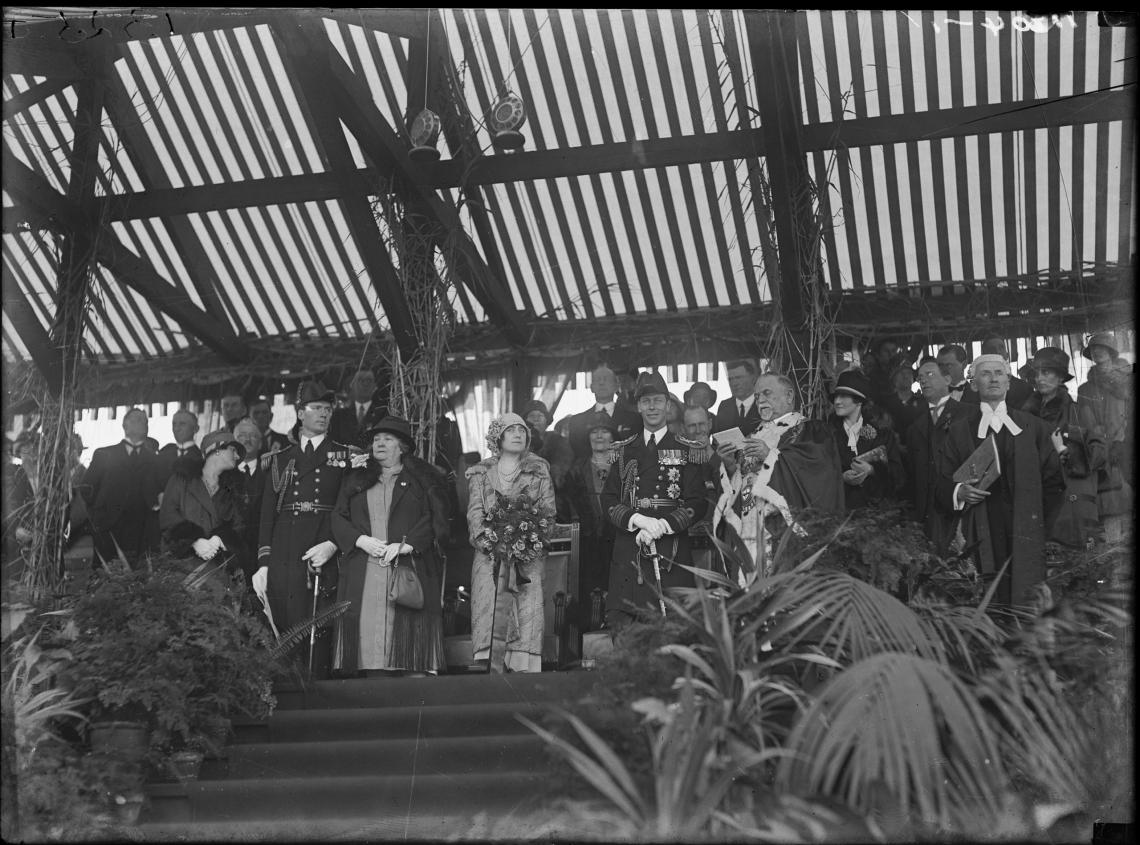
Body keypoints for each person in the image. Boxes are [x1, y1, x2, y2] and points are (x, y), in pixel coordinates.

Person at [252, 381, 363, 678]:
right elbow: (267, 515)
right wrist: (264, 563)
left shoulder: (346, 457)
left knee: (321, 627)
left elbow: (354, 510)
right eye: (316, 408)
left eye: (328, 409)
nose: (324, 414)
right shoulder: (279, 460)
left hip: (323, 545)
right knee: (287, 627)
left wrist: (333, 543)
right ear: (300, 414)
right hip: (285, 551)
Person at [935, 355, 1064, 607]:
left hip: (1025, 528)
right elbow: (942, 481)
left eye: (999, 373)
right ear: (974, 385)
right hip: (979, 526)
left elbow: (1054, 482)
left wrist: (1040, 523)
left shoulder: (1035, 428)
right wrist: (959, 491)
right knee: (984, 596)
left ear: (1008, 383)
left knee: (1025, 596)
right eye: (985, 374)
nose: (993, 379)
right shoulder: (959, 431)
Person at [331, 417, 448, 676]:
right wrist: (360, 540)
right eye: (376, 439)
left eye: (388, 439)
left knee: (410, 656)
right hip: (365, 569)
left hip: (407, 568)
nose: (380, 443)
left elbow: (433, 517)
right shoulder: (357, 479)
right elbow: (338, 516)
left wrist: (408, 544)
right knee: (368, 655)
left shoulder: (419, 481)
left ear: (402, 447)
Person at [601, 372, 708, 630]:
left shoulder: (686, 449)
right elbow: (608, 499)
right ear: (638, 406)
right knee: (626, 629)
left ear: (668, 405)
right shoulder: (623, 450)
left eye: (658, 401)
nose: (652, 407)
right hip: (630, 548)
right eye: (646, 401)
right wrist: (637, 519)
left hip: (670, 548)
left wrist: (664, 525)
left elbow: (697, 502)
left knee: (674, 629)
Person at [715, 373, 844, 572]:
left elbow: (818, 473)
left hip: (782, 529)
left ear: (789, 396)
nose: (760, 400)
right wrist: (730, 464)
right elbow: (742, 482)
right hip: (750, 526)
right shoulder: (751, 435)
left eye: (767, 393)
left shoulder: (810, 430)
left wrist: (770, 456)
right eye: (757, 396)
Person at [465, 413, 556, 672]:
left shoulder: (539, 471)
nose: (518, 434)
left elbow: (548, 513)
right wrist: (492, 544)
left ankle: (523, 669)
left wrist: (527, 543)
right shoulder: (480, 472)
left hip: (528, 557)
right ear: (498, 437)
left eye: (522, 430)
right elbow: (475, 514)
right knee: (489, 607)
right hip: (489, 557)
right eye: (511, 430)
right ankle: (492, 667)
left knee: (527, 611)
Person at [1020, 347, 1105, 549]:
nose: (1039, 378)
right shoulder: (1023, 416)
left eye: (1046, 372)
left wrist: (1069, 442)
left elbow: (1099, 454)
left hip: (1068, 505)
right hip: (1035, 501)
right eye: (1036, 374)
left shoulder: (1078, 412)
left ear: (1060, 378)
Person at [79, 408, 163, 568]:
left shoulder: (154, 460)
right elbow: (86, 489)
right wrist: (99, 517)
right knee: (105, 576)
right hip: (108, 530)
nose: (141, 424)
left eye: (144, 421)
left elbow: (159, 493)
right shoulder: (105, 454)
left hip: (141, 533)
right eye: (136, 420)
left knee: (139, 576)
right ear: (125, 426)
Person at [159, 430, 249, 575]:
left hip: (219, 569)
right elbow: (168, 516)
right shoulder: (182, 479)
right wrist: (193, 540)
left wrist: (219, 540)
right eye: (233, 450)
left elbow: (240, 524)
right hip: (180, 568)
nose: (237, 456)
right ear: (216, 450)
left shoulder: (234, 488)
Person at [562, 412, 620, 631]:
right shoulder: (576, 469)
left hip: (617, 540)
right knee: (587, 593)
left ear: (613, 437)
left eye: (604, 431)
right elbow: (568, 504)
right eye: (594, 432)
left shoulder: (623, 468)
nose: (599, 436)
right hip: (586, 542)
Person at [1075, 332, 1132, 543]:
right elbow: (1085, 422)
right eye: (1093, 349)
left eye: (1102, 348)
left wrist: (1121, 441)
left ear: (1111, 352)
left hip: (1125, 444)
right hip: (1099, 448)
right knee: (1108, 495)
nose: (1097, 352)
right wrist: (1099, 444)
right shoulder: (1085, 389)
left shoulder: (1126, 384)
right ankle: (1112, 540)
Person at [904, 358, 963, 554]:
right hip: (927, 518)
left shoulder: (968, 415)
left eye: (930, 374)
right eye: (920, 377)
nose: (923, 380)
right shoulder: (915, 427)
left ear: (947, 380)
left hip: (959, 513)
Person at [827, 370, 904, 512]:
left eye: (843, 396)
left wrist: (872, 470)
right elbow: (817, 472)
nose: (837, 401)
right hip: (839, 512)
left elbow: (898, 477)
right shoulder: (827, 434)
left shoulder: (882, 434)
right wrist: (841, 477)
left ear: (859, 401)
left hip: (875, 515)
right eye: (836, 396)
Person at [566, 365, 641, 460]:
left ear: (616, 386)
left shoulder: (635, 419)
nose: (601, 383)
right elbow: (575, 456)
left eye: (606, 379)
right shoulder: (577, 422)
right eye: (597, 380)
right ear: (591, 387)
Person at [232, 418, 267, 587]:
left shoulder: (270, 473)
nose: (247, 439)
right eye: (242, 436)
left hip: (260, 553)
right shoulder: (224, 475)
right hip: (231, 554)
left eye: (253, 435)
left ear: (260, 443)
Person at [520, 399, 575, 501]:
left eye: (540, 415)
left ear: (547, 421)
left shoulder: (559, 442)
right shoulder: (517, 445)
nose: (536, 419)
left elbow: (560, 473)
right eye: (531, 415)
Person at [960, 336, 1034, 408]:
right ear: (984, 356)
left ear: (1007, 355)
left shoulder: (1024, 388)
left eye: (1001, 348)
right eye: (992, 349)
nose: (997, 352)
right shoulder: (973, 390)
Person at [330, 369, 389, 448]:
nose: (365, 384)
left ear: (375, 386)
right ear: (352, 385)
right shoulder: (338, 416)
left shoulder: (382, 414)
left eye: (369, 381)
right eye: (361, 380)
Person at [714, 359, 763, 436]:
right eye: (730, 379)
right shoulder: (724, 406)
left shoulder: (763, 403)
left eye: (739, 377)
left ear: (753, 378)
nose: (734, 383)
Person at [156, 409, 202, 487]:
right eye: (174, 424)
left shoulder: (201, 458)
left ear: (195, 429)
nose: (177, 429)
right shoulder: (163, 454)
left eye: (182, 424)